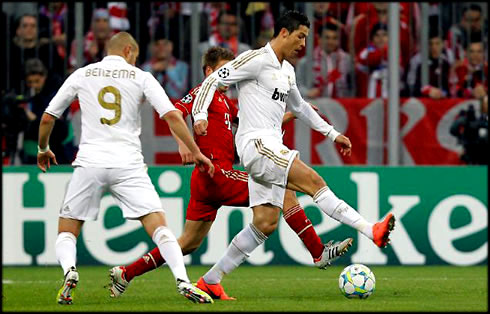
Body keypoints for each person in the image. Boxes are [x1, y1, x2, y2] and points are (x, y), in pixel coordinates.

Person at [107, 46, 352, 300]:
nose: (232, 75)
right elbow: (176, 113)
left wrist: (295, 113)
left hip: (208, 180)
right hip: (216, 173)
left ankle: (126, 273)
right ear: (210, 71)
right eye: (225, 69)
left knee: (187, 243)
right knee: (282, 187)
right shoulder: (203, 91)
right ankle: (317, 250)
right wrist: (183, 145)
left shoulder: (226, 102)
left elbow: (252, 123)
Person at [192, 10, 396, 298]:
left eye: (306, 38)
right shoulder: (256, 60)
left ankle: (210, 280)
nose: (303, 44)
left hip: (270, 147)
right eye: (300, 36)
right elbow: (213, 81)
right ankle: (370, 229)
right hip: (257, 145)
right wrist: (200, 114)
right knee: (313, 182)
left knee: (264, 223)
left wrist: (332, 133)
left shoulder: (287, 70)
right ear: (284, 33)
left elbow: (300, 108)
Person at [37, 32, 214, 305]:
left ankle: (69, 270)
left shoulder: (82, 74)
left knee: (68, 229)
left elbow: (49, 117)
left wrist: (43, 148)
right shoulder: (141, 77)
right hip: (128, 163)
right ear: (129, 50)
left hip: (90, 163)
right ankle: (182, 280)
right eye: (136, 55)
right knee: (158, 226)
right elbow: (172, 115)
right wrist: (195, 150)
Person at [296, 23, 354, 98]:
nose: (331, 42)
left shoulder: (346, 60)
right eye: (327, 38)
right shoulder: (306, 62)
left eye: (334, 38)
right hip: (316, 105)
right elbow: (296, 86)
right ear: (319, 38)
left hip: (340, 106)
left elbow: (352, 86)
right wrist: (308, 93)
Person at [141, 34, 189, 99]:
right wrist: (153, 71)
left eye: (165, 44)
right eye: (157, 44)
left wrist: (169, 70)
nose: (161, 48)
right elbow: (143, 94)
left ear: (171, 46)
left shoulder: (182, 66)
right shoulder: (146, 67)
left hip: (175, 106)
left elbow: (179, 94)